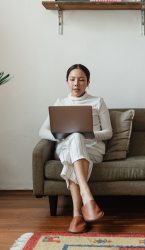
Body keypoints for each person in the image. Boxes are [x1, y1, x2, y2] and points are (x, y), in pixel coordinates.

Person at [39, 64, 113, 233]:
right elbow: (42, 131)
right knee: (74, 137)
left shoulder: (98, 101)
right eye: (72, 79)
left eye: (81, 80)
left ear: (88, 82)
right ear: (67, 81)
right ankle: (87, 198)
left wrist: (88, 134)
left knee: (77, 140)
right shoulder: (60, 103)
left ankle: (77, 216)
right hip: (66, 146)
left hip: (92, 147)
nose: (76, 83)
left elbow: (108, 132)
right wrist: (61, 135)